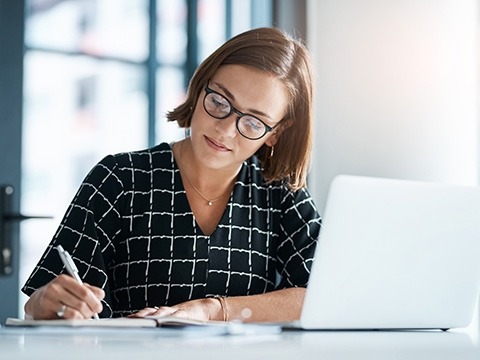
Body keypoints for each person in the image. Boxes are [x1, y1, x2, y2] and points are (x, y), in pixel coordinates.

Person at [22, 27, 321, 322]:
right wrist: (45, 304)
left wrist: (212, 310)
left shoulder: (280, 193)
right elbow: (44, 305)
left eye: (254, 123)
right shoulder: (120, 180)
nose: (225, 129)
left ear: (276, 133)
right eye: (219, 102)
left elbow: (323, 294)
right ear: (200, 86)